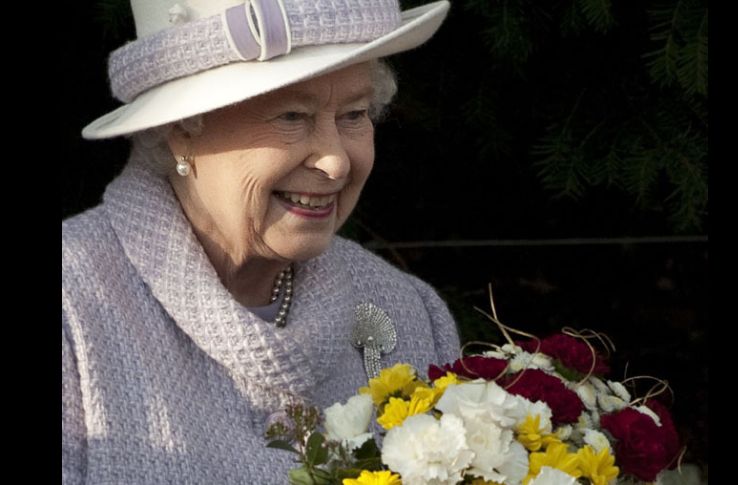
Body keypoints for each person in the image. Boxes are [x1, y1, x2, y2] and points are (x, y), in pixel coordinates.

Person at [61, 0, 460, 482]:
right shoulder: (73, 309)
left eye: (354, 114)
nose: (335, 161)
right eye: (292, 116)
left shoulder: (405, 313)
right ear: (181, 130)